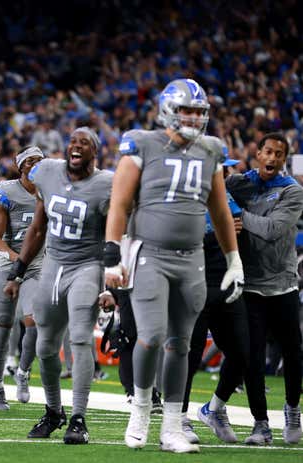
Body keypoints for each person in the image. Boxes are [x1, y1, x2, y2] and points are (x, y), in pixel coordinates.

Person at [104, 78, 244, 453]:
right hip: (150, 254)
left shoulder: (211, 149)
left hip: (192, 258)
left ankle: (172, 427)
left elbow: (219, 209)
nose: (193, 117)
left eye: (199, 111)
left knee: (181, 344)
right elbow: (119, 202)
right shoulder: (142, 142)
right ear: (168, 109)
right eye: (187, 110)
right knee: (150, 336)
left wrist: (233, 259)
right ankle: (141, 410)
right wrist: (112, 253)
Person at [4, 127, 113, 445]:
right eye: (73, 142)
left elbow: (113, 234)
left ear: (96, 152)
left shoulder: (107, 184)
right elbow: (37, 228)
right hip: (53, 265)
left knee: (80, 338)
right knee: (44, 347)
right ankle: (54, 411)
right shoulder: (48, 172)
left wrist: (111, 283)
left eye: (85, 143)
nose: (77, 146)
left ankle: (79, 418)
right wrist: (18, 271)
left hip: (87, 266)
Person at [225, 132, 303, 445]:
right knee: (252, 357)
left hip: (283, 284)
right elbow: (216, 199)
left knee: (293, 354)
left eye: (279, 154)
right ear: (258, 154)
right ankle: (261, 424)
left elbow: (272, 230)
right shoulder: (240, 184)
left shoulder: (293, 191)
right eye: (267, 152)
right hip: (251, 285)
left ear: (284, 159)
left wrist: (238, 216)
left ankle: (293, 411)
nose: (272, 158)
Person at [180, 157, 250, 444]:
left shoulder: (227, 195)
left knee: (243, 352)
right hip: (195, 281)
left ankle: (215, 409)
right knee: (190, 353)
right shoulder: (186, 199)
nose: (226, 172)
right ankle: (179, 417)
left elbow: (238, 233)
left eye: (226, 167)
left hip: (226, 282)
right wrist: (217, 235)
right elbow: (181, 240)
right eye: (220, 166)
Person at [0, 146, 44, 410]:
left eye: (40, 161)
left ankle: (23, 371)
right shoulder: (7, 191)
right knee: (3, 324)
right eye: (30, 161)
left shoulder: (51, 189)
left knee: (34, 321)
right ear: (21, 166)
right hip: (9, 259)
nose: (35, 165)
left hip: (37, 263)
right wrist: (15, 260)